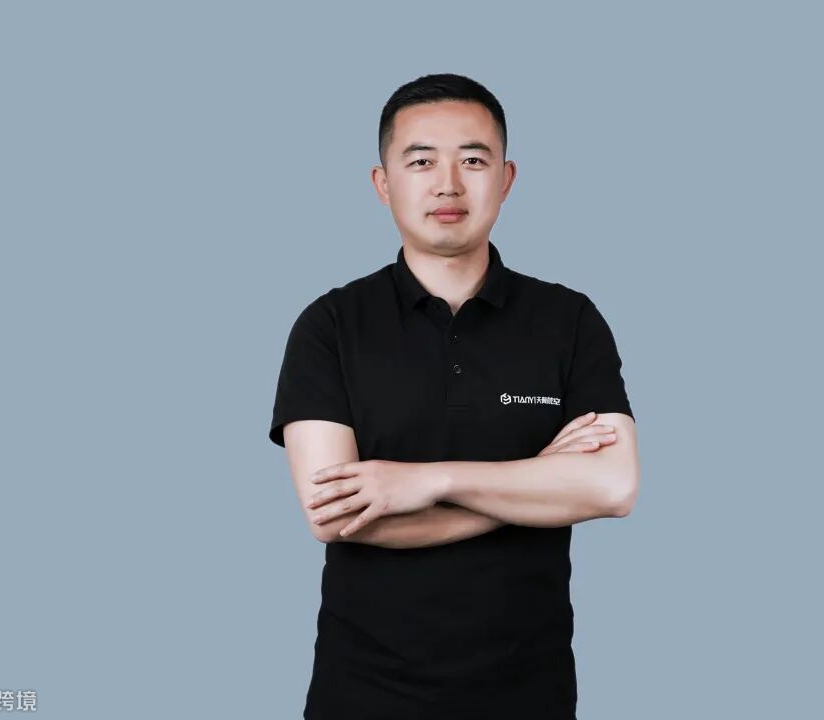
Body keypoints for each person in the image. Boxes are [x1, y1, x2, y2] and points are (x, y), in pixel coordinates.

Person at [269, 72, 641, 720]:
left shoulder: (570, 320)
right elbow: (333, 515)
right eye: (421, 162)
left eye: (473, 160)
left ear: (507, 178)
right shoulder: (329, 325)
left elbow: (613, 487)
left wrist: (427, 481)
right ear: (383, 183)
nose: (448, 184)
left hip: (530, 699)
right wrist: (540, 483)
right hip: (363, 699)